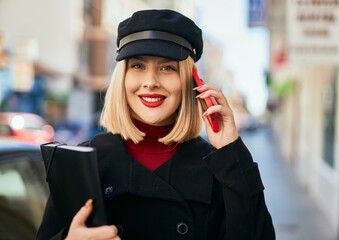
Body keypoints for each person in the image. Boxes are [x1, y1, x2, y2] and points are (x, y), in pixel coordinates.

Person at [37, 9, 275, 240]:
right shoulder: (81, 164)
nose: (150, 82)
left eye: (167, 68)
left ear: (191, 82)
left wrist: (231, 151)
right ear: (122, 78)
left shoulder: (221, 166)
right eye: (138, 66)